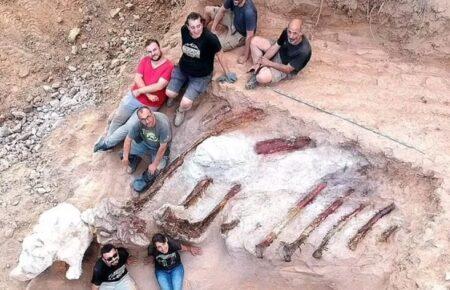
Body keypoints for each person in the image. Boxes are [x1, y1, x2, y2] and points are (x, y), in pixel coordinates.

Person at [94, 39, 174, 152]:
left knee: (129, 126)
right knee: (118, 118)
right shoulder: (145, 60)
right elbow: (137, 77)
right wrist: (146, 93)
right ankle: (109, 142)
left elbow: (159, 86)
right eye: (149, 51)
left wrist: (141, 91)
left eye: (155, 49)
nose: (153, 53)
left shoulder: (168, 66)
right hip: (135, 96)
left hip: (150, 104)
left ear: (159, 48)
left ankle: (107, 144)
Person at [165, 12, 236, 127]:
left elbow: (220, 54)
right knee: (170, 93)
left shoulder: (210, 38)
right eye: (192, 27)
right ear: (188, 27)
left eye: (198, 26)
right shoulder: (184, 30)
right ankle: (180, 88)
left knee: (185, 103)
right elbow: (185, 46)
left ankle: (181, 110)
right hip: (183, 68)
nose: (196, 30)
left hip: (201, 75)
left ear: (202, 24)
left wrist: (227, 72)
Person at [245, 18, 311, 89]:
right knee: (254, 41)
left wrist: (269, 63)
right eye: (289, 32)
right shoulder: (286, 32)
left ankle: (259, 73)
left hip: (285, 66)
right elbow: (276, 46)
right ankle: (258, 68)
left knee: (261, 77)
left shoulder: (304, 51)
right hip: (280, 52)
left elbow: (288, 69)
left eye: (295, 33)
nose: (291, 36)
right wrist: (259, 62)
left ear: (301, 33)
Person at [122, 107, 171, 192]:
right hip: (145, 143)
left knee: (156, 169)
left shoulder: (162, 125)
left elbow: (163, 147)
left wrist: (154, 164)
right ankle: (135, 159)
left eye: (148, 117)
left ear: (152, 113)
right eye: (143, 119)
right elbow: (128, 140)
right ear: (140, 120)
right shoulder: (139, 124)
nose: (147, 121)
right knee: (125, 152)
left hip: (159, 148)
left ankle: (138, 185)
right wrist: (125, 157)